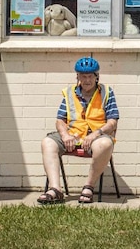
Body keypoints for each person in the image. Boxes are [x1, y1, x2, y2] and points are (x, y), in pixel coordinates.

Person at [38, 56, 119, 204]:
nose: (87, 80)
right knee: (48, 142)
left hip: (97, 137)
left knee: (104, 145)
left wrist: (96, 134)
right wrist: (65, 135)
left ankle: (88, 187)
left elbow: (113, 121)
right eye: (83, 76)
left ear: (96, 77)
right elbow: (60, 120)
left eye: (90, 76)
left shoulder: (106, 92)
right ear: (78, 77)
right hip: (73, 136)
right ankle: (55, 189)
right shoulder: (70, 93)